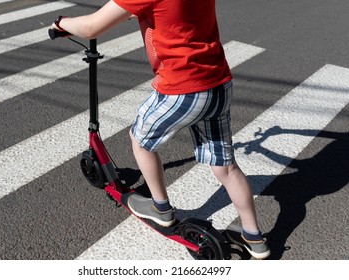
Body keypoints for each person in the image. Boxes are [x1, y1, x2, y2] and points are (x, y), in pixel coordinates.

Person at [51, 0, 271, 259]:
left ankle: (161, 208)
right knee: (226, 167)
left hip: (182, 89)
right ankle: (254, 237)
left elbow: (91, 28)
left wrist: (61, 23)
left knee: (140, 139)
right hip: (218, 84)